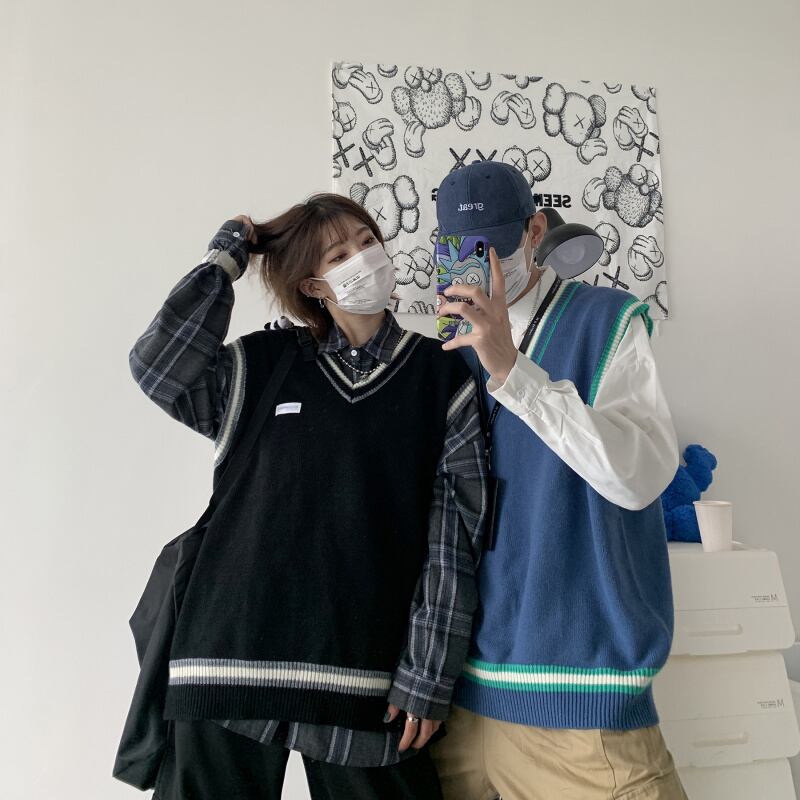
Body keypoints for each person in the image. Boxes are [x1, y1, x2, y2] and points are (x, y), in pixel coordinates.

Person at [128, 193, 487, 799]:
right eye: (339, 255)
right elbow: (158, 368)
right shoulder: (259, 365)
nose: (363, 259)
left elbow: (454, 541)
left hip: (365, 674)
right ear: (314, 286)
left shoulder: (441, 375)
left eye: (367, 242)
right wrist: (227, 257)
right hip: (226, 661)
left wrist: (428, 674)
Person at [428, 162, 688, 800]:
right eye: (465, 250)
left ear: (535, 230)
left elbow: (639, 476)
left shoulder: (609, 321)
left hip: (582, 703)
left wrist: (511, 371)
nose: (483, 265)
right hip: (457, 699)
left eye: (495, 245)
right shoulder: (446, 350)